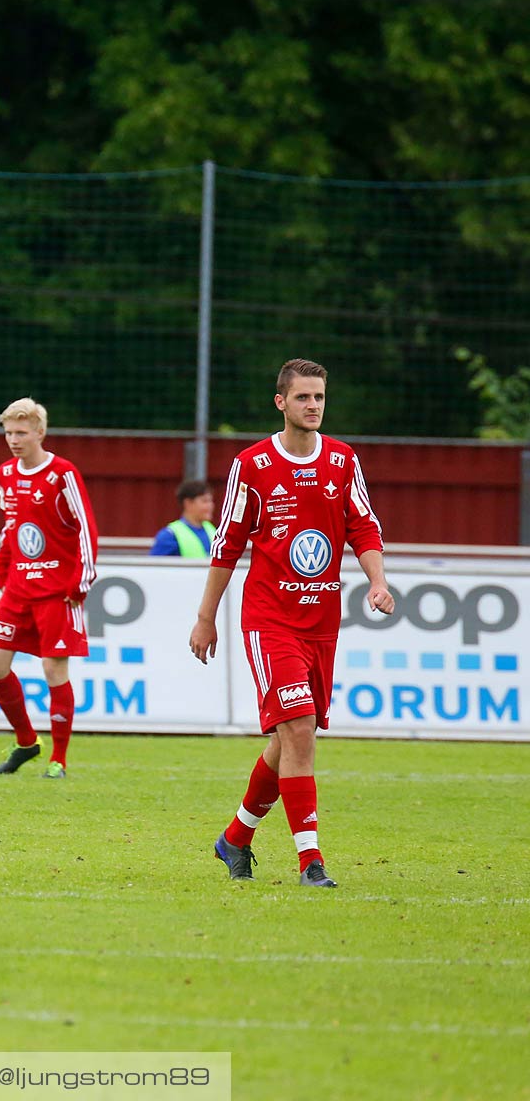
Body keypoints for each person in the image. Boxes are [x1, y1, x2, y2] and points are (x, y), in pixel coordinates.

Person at [190, 359, 390, 888]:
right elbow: (226, 545)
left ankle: (235, 838)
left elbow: (363, 528)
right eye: (303, 397)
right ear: (281, 402)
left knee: (289, 740)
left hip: (322, 622)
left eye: (320, 397)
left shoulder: (343, 461)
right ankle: (311, 862)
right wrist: (206, 618)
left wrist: (377, 581)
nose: (314, 406)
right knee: (299, 729)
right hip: (269, 620)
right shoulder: (252, 465)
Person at [0, 398, 98, 780]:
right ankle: (27, 741)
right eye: (9, 432)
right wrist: (2, 566)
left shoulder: (62, 473)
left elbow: (86, 527)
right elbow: (11, 525)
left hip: (57, 589)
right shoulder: (6, 473)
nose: (14, 440)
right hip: (18, 586)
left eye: (21, 432)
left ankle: (59, 759)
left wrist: (81, 580)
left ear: (40, 433)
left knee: (53, 669)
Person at [150, 480, 217, 557]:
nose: (211, 505)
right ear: (188, 503)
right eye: (205, 501)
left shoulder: (212, 530)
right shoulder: (170, 535)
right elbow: (154, 566)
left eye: (211, 501)